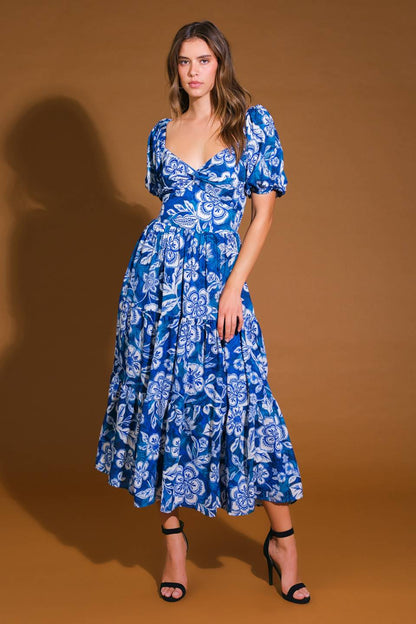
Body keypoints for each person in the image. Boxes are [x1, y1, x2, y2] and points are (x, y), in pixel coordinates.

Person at [95, 20, 311, 605]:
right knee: (162, 403)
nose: (193, 71)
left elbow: (262, 216)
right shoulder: (160, 132)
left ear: (221, 64)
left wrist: (234, 287)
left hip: (221, 281)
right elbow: (167, 212)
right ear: (177, 69)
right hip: (156, 287)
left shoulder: (251, 124)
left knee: (245, 403)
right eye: (184, 62)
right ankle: (173, 545)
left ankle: (283, 543)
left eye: (203, 61)